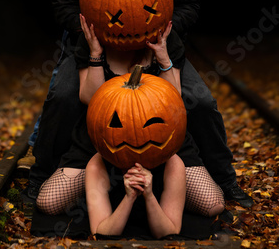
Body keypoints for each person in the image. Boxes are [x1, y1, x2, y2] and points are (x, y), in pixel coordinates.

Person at [36, 16, 225, 232]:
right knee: (48, 203)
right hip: (105, 136)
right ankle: (106, 192)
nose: (127, 17)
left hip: (160, 136)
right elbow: (91, 98)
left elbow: (173, 101)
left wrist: (163, 58)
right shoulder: (93, 39)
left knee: (213, 204)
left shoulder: (165, 38)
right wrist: (96, 54)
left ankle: (160, 192)